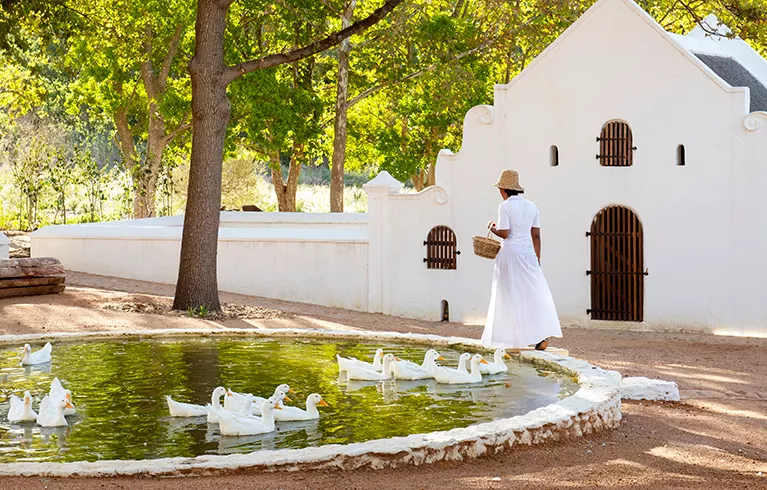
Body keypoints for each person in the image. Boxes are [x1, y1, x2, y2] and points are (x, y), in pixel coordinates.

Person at [481, 169, 562, 350]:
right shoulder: (532, 206)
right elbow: (536, 235)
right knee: (532, 293)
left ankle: (513, 337)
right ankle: (540, 336)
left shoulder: (505, 206)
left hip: (510, 253)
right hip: (528, 253)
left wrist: (491, 227)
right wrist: (537, 256)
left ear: (503, 189)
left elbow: (505, 233)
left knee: (509, 294)